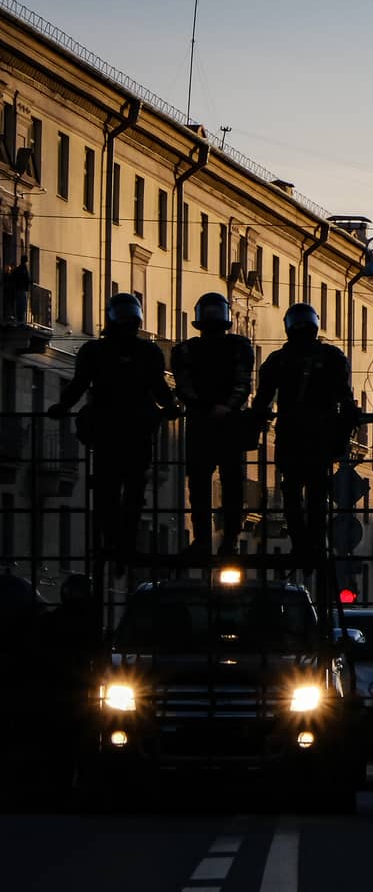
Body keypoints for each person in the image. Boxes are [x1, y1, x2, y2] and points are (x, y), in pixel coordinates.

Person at [47, 293, 180, 566]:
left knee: (115, 489)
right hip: (126, 430)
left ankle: (117, 541)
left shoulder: (99, 351)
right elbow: (159, 389)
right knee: (125, 490)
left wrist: (63, 405)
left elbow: (80, 384)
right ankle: (121, 543)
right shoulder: (142, 352)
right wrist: (170, 408)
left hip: (115, 430)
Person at [250, 303, 359, 569]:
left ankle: (301, 544)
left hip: (290, 434)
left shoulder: (278, 360)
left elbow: (261, 400)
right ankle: (315, 544)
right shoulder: (332, 357)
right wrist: (341, 437)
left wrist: (254, 427)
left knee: (292, 491)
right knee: (317, 492)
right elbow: (346, 400)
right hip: (320, 435)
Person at [171, 292, 254, 560]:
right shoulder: (238, 347)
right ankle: (223, 540)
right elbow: (243, 384)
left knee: (207, 484)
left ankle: (209, 540)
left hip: (204, 423)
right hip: (224, 423)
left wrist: (206, 407)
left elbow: (184, 387)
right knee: (226, 484)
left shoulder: (186, 350)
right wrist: (226, 407)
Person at [30, 574, 98, 804]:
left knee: (60, 742)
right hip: (76, 691)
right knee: (77, 740)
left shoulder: (54, 621)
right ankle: (76, 784)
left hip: (60, 690)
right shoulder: (90, 623)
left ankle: (60, 786)